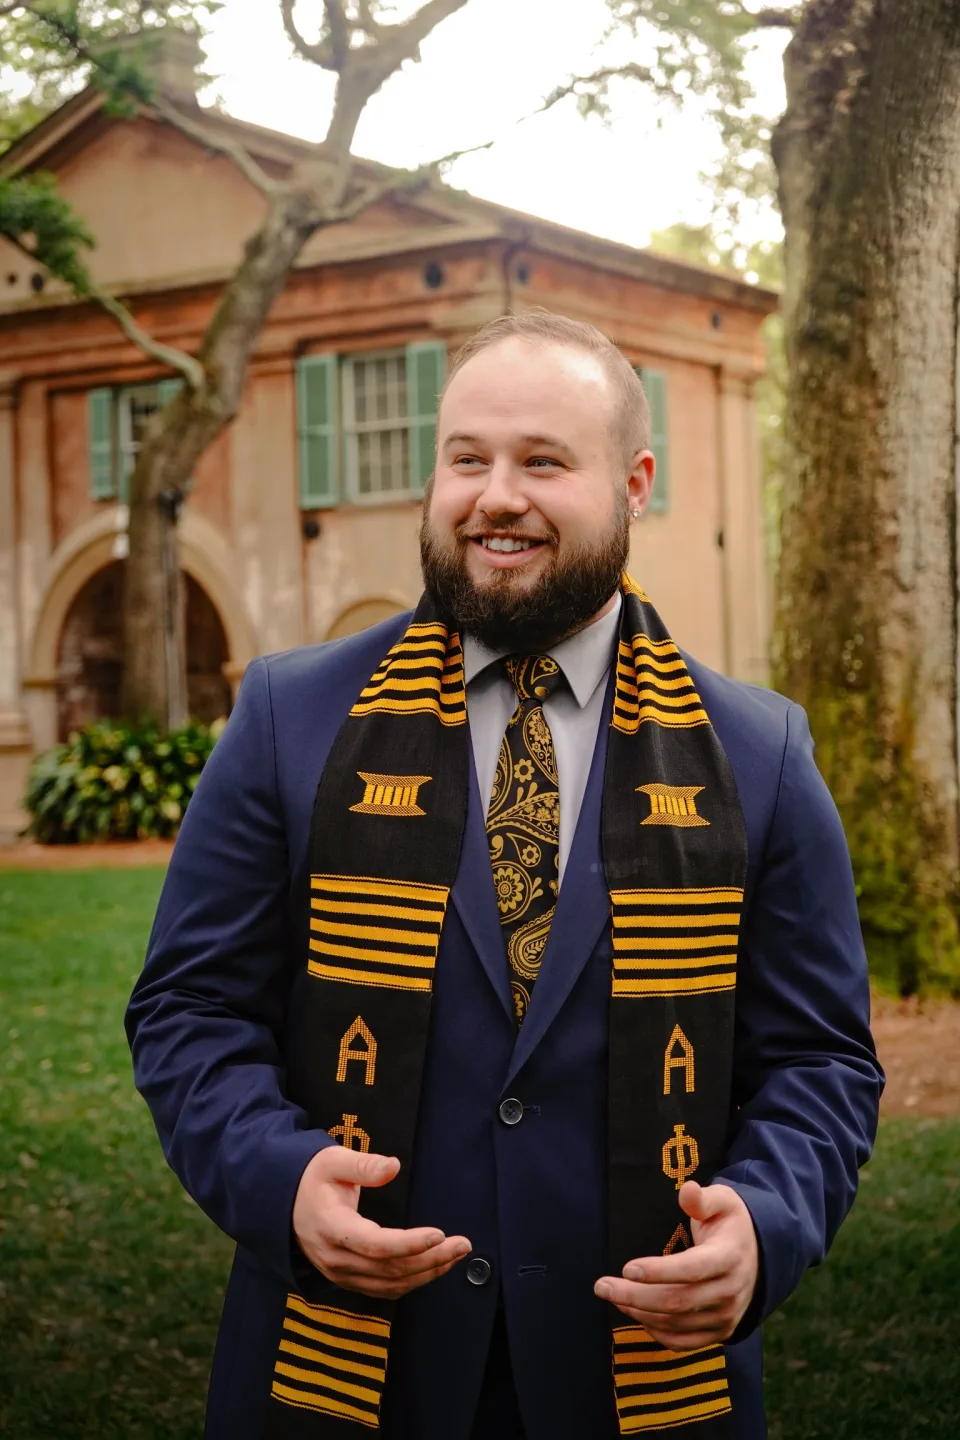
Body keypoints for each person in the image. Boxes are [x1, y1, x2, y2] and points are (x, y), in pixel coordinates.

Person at [126, 311, 883, 1440]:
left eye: (542, 461)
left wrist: (766, 1223)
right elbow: (190, 1010)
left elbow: (820, 1059)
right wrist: (279, 1178)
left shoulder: (757, 755)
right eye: (467, 459)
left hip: (641, 1376)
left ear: (635, 482)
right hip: (343, 1379)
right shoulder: (290, 717)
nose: (495, 496)